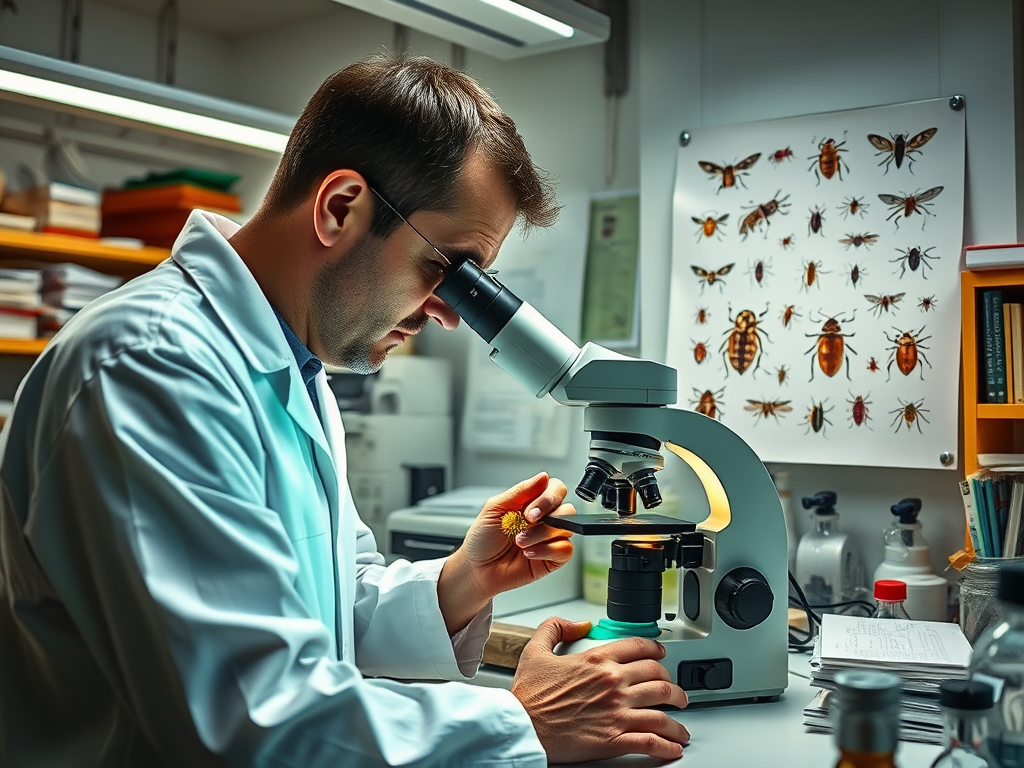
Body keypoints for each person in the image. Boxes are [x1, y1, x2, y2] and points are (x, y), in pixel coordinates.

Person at [0, 52, 690, 766]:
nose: (451, 316)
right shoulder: (153, 368)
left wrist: (462, 581)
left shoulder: (293, 369)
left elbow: (318, 608)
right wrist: (523, 720)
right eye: (449, 273)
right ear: (339, 207)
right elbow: (253, 721)